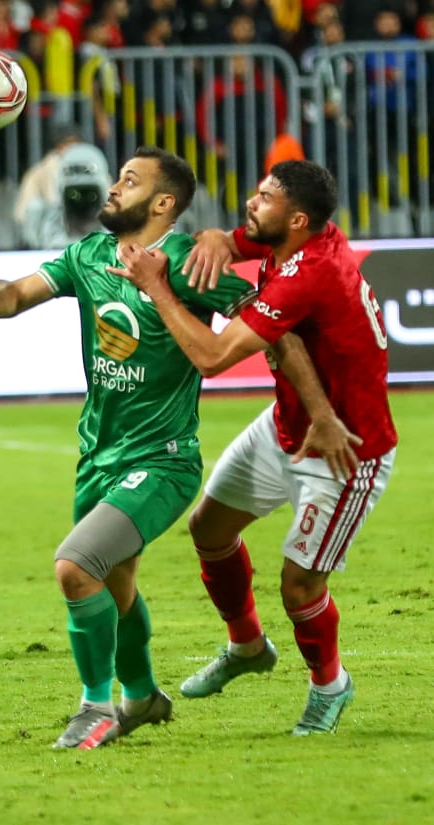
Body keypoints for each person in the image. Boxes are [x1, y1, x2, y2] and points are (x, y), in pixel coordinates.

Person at [0, 147, 265, 749]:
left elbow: (266, 318)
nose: (113, 188)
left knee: (75, 566)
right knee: (115, 587)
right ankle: (142, 697)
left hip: (164, 460)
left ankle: (95, 707)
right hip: (97, 459)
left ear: (163, 203)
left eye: (129, 181)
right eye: (118, 178)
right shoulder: (87, 256)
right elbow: (10, 296)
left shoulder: (188, 263)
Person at [113, 160, 398, 736]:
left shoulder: (310, 273)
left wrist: (156, 287)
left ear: (296, 220)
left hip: (345, 449)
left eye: (265, 197)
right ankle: (246, 645)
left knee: (300, 587)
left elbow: (214, 358)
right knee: (209, 529)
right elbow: (235, 240)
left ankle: (330, 685)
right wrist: (218, 238)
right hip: (288, 424)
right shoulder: (296, 235)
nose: (251, 201)